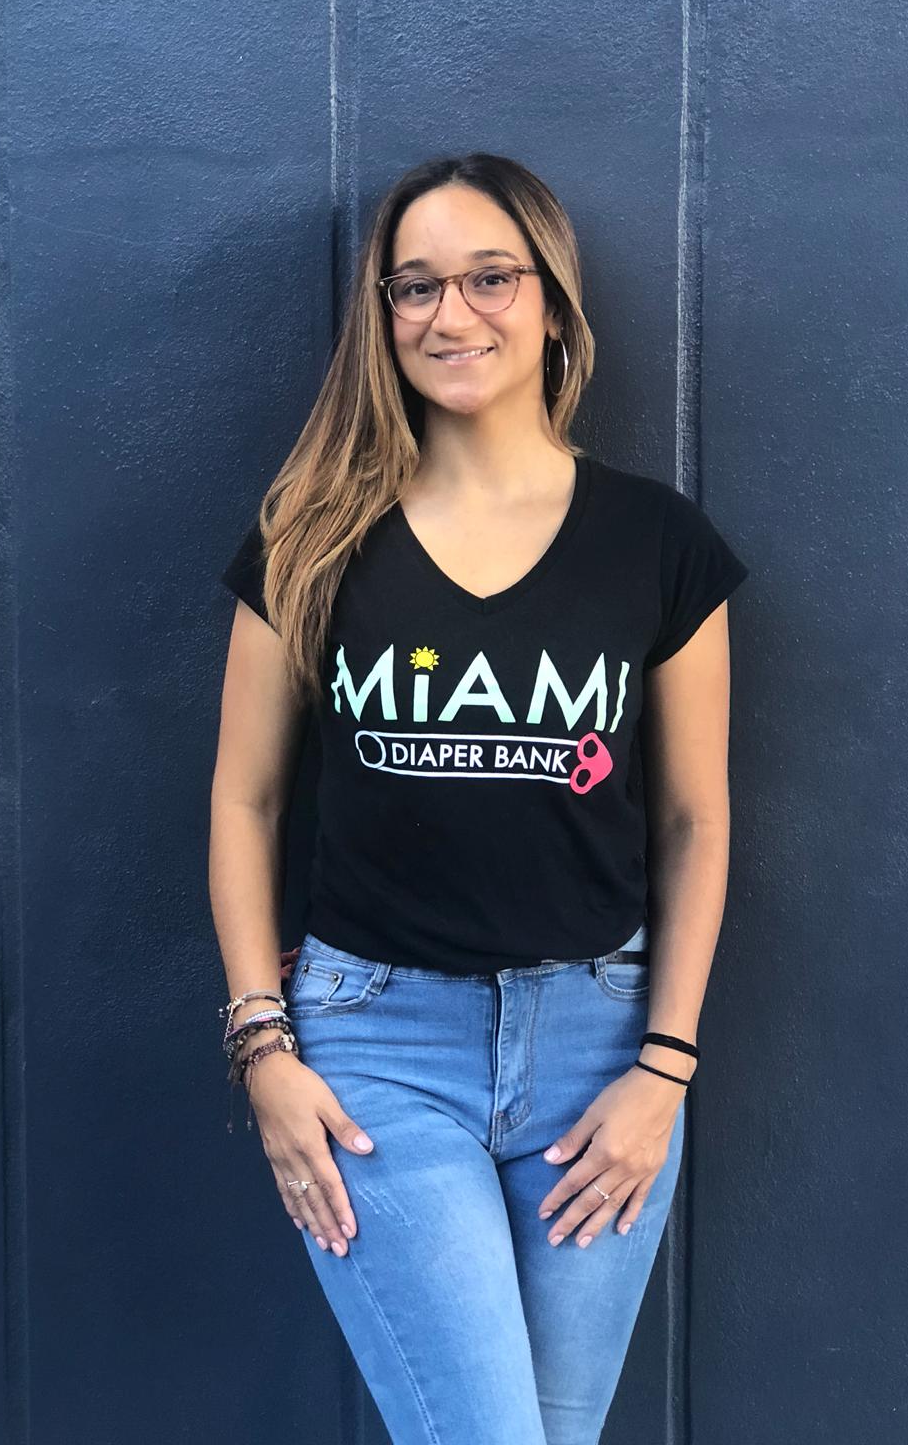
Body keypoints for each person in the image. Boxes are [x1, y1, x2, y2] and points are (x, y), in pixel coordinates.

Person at [208, 151, 749, 1444]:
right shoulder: (313, 535)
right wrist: (262, 1050)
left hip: (599, 1060)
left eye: (490, 278)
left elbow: (695, 822)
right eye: (415, 288)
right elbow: (243, 805)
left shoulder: (657, 544)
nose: (451, 316)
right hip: (376, 1056)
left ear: (553, 302)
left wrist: (664, 1069)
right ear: (382, 319)